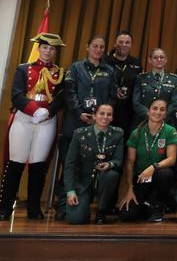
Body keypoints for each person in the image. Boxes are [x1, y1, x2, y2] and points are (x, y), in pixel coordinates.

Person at [0, 33, 66, 221]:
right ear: (39, 48)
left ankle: (34, 208)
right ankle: (5, 207)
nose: (48, 51)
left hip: (46, 121)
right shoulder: (23, 69)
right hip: (24, 118)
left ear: (55, 51)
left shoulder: (60, 73)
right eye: (45, 47)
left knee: (38, 165)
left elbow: (61, 98)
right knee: (16, 163)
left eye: (52, 49)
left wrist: (48, 112)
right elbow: (16, 94)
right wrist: (34, 110)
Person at [56, 35, 116, 219]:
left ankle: (90, 202)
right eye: (95, 46)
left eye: (101, 47)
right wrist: (79, 112)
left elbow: (113, 96)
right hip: (75, 121)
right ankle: (63, 205)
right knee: (69, 163)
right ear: (87, 47)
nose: (98, 49)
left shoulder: (109, 70)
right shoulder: (75, 67)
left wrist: (102, 116)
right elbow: (69, 91)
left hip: (100, 123)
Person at [117, 98, 177, 222]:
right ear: (148, 111)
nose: (158, 112)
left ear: (165, 114)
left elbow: (172, 159)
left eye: (162, 110)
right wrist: (130, 188)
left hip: (159, 175)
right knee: (126, 215)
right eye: (154, 108)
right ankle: (147, 206)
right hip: (141, 178)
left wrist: (153, 167)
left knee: (166, 174)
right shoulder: (137, 133)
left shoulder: (170, 131)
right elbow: (130, 162)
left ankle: (157, 204)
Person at [63, 103, 124, 224]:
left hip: (103, 179)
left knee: (112, 175)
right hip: (83, 182)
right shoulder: (80, 134)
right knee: (76, 219)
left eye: (109, 114)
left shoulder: (118, 134)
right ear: (94, 116)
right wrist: (70, 191)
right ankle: (84, 208)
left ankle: (101, 211)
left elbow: (118, 159)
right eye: (102, 113)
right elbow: (69, 165)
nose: (105, 117)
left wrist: (110, 164)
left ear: (112, 118)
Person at [103, 30, 142, 137]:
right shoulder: (104, 61)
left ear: (131, 45)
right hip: (107, 109)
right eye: (120, 42)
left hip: (127, 112)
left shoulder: (136, 63)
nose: (124, 45)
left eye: (127, 42)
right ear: (114, 44)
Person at [132, 48, 177, 130]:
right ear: (150, 60)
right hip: (143, 121)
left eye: (162, 57)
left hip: (166, 123)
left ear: (166, 60)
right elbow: (136, 102)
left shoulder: (174, 79)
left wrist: (161, 116)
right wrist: (150, 114)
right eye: (155, 57)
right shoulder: (141, 78)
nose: (159, 60)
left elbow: (174, 103)